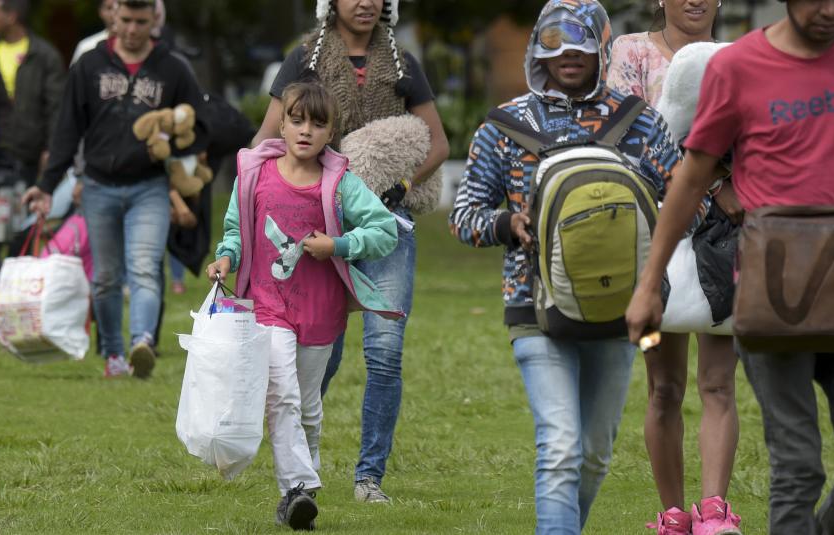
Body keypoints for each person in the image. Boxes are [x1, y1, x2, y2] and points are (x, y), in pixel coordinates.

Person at [625, 1, 834, 534]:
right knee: (798, 469)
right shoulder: (737, 66)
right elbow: (692, 177)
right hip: (769, 291)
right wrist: (649, 282)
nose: (830, 8)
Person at [450, 1, 683, 533]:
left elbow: (685, 207)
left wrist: (646, 222)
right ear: (537, 49)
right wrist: (508, 223)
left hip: (623, 308)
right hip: (533, 307)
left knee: (594, 454)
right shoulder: (505, 126)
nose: (569, 56)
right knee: (560, 448)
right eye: (555, 44)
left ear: (602, 48)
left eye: (581, 44)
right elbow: (463, 216)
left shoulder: (640, 122)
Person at [256, 0, 448, 503]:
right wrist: (258, 201)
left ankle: (369, 478)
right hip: (319, 227)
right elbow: (267, 138)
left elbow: (439, 145)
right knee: (323, 353)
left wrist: (402, 185)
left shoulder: (403, 63)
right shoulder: (305, 58)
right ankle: (298, 471)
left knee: (385, 352)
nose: (365, 2)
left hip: (388, 224)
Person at [207, 81, 398, 531]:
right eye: (296, 120)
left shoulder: (340, 184)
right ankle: (295, 488)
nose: (306, 130)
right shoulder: (253, 174)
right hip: (267, 306)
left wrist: (338, 245)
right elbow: (235, 230)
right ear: (282, 124)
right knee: (282, 395)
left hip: (320, 311)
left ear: (331, 132)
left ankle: (302, 493)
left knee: (308, 407)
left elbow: (385, 230)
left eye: (317, 123)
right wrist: (226, 256)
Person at [607, 2, 743, 533]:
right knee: (663, 387)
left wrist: (736, 188)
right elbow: (627, 141)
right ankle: (672, 515)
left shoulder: (744, 57)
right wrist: (709, 187)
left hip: (726, 241)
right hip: (654, 239)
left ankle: (714, 512)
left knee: (719, 383)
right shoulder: (630, 53)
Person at [23, 0, 209, 379]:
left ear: (155, 19)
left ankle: (142, 342)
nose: (133, 29)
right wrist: (47, 185)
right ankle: (113, 355)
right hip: (98, 185)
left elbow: (200, 127)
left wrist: (173, 136)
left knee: (144, 268)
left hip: (150, 187)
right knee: (105, 277)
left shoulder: (173, 68)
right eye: (126, 20)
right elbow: (67, 131)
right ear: (113, 15)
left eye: (141, 21)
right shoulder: (89, 65)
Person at [0, 0, 64, 187]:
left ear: (11, 17)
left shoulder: (44, 55)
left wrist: (50, 149)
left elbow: (56, 109)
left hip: (29, 153)